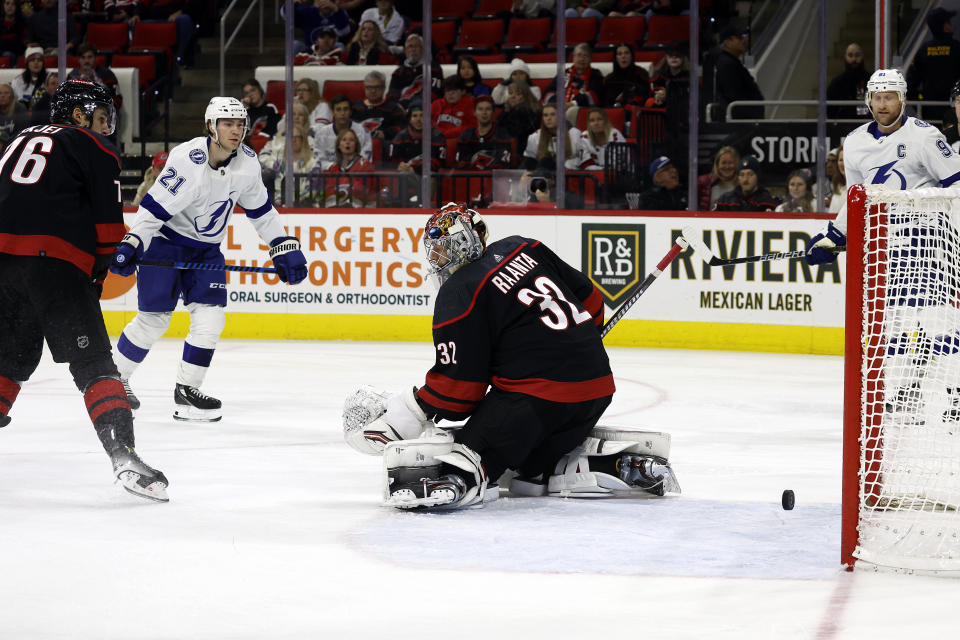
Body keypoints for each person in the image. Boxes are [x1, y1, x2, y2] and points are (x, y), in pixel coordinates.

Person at [341, 203, 679, 510]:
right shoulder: (525, 247)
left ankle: (457, 478)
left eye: (444, 248)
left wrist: (413, 408)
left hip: (534, 399)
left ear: (466, 243)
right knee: (528, 470)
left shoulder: (460, 291)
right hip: (596, 390)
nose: (439, 259)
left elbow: (459, 393)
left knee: (469, 451)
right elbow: (592, 304)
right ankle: (588, 465)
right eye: (436, 251)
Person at [0, 79, 168, 502]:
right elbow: (109, 226)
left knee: (9, 362)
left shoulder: (16, 139)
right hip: (54, 263)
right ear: (78, 115)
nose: (104, 125)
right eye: (99, 115)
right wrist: (98, 272)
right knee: (94, 363)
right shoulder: (93, 146)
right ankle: (124, 455)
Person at [108, 96, 308, 422]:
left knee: (211, 320)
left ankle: (186, 392)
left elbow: (260, 211)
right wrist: (133, 242)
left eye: (240, 124)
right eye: (227, 123)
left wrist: (282, 245)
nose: (235, 130)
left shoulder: (247, 163)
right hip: (165, 243)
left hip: (207, 250)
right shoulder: (187, 159)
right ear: (211, 126)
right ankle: (114, 381)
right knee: (153, 321)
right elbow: (154, 209)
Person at [805, 68, 960, 429]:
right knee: (897, 323)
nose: (882, 103)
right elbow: (855, 199)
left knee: (934, 320)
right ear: (868, 100)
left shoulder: (925, 137)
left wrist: (924, 206)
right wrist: (835, 235)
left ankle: (953, 389)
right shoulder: (856, 141)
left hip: (928, 241)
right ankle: (908, 392)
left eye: (889, 96)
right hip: (885, 244)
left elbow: (955, 183)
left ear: (903, 99)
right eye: (876, 97)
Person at [387, 102, 445, 206]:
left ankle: (426, 208)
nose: (419, 119)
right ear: (409, 119)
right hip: (408, 174)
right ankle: (403, 208)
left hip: (427, 175)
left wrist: (415, 168)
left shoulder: (437, 135)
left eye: (422, 115)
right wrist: (399, 165)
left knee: (431, 176)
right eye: (415, 116)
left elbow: (438, 162)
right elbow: (392, 161)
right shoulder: (401, 136)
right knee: (403, 175)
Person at [907, 7, 960, 104]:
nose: (952, 25)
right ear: (945, 26)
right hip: (954, 109)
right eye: (949, 22)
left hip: (930, 110)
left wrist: (922, 104)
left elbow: (910, 86)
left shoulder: (923, 50)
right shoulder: (957, 48)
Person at [713, 24, 764, 121]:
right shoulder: (727, 63)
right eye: (739, 38)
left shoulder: (732, 62)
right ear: (727, 42)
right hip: (740, 121)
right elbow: (733, 95)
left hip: (745, 119)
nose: (744, 41)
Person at [265, 123, 320, 207]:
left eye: (297, 137)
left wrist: (295, 203)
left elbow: (312, 190)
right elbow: (278, 189)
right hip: (283, 205)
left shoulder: (313, 162)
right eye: (291, 137)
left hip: (307, 206)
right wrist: (279, 204)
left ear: (303, 140)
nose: (294, 140)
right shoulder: (280, 163)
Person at [456, 95, 514, 170]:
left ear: (493, 112)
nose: (484, 112)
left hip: (493, 179)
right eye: (480, 109)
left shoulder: (503, 135)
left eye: (488, 109)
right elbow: (461, 163)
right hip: (470, 179)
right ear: (474, 112)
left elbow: (502, 165)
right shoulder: (466, 135)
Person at [543, 42, 604, 114]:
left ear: (591, 59)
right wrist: (558, 103)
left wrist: (572, 104)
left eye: (585, 56)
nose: (582, 59)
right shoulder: (564, 74)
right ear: (573, 57)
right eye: (579, 55)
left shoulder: (596, 75)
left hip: (582, 112)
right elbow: (548, 93)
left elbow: (593, 97)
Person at [387, 33, 443, 110]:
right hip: (401, 109)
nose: (413, 49)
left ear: (423, 49)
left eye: (416, 46)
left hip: (424, 109)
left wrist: (409, 105)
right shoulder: (398, 72)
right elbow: (391, 94)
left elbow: (435, 93)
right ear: (405, 51)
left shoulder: (433, 68)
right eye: (410, 46)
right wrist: (397, 107)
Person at [322, 128, 375, 207]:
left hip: (358, 210)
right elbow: (328, 191)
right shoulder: (334, 168)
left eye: (351, 140)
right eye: (344, 140)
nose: (347, 142)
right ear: (339, 145)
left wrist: (343, 190)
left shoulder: (365, 165)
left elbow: (363, 191)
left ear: (356, 145)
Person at [313, 93, 372, 164]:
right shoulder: (321, 133)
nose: (342, 113)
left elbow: (365, 161)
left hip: (355, 173)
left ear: (350, 112)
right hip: (330, 173)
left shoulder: (363, 131)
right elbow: (318, 161)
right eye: (338, 110)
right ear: (333, 112)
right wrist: (336, 169)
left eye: (346, 109)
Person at [351, 69, 405, 142]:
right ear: (364, 88)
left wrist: (385, 134)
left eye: (377, 87)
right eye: (369, 87)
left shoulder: (393, 108)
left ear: (384, 88)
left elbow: (401, 127)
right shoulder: (354, 107)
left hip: (383, 145)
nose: (373, 91)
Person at [523, 101, 580, 170]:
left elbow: (578, 160)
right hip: (541, 175)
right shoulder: (534, 137)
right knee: (544, 162)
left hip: (567, 174)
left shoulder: (575, 134)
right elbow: (529, 162)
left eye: (552, 114)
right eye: (545, 115)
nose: (548, 118)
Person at [282, 0, 350, 56]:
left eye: (329, 1)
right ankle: (297, 71)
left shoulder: (339, 13)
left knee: (340, 46)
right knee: (295, 45)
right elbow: (286, 16)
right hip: (310, 50)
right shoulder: (309, 11)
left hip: (331, 50)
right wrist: (292, 3)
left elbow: (345, 31)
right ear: (316, 2)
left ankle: (337, 69)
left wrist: (336, 10)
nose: (325, 3)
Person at [713, 155, 779, 211]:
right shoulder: (725, 200)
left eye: (750, 174)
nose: (745, 179)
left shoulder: (768, 202)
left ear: (757, 176)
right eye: (741, 175)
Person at [827, 43, 871, 119]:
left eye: (857, 55)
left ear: (862, 56)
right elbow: (830, 110)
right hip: (842, 126)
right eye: (850, 55)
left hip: (865, 126)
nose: (854, 59)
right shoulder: (837, 83)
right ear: (845, 57)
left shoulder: (871, 81)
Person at [496, 80, 541, 155]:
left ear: (526, 96)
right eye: (510, 93)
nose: (513, 96)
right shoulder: (509, 109)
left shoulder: (526, 110)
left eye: (518, 94)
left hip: (521, 149)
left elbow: (515, 132)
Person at [602, 43, 651, 108]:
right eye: (619, 54)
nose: (623, 56)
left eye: (626, 53)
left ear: (631, 56)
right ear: (615, 58)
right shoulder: (608, 79)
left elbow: (645, 98)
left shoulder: (641, 75)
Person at [432, 74, 476, 140]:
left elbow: (473, 126)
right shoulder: (436, 104)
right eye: (447, 90)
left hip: (460, 141)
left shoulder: (470, 105)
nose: (450, 94)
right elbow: (427, 123)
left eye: (454, 91)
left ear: (463, 91)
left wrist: (447, 133)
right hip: (436, 141)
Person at [241, 78, 281, 148]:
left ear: (259, 90)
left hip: (264, 144)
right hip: (246, 145)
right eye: (247, 93)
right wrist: (241, 108)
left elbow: (272, 131)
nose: (250, 94)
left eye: (253, 90)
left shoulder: (270, 108)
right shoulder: (245, 111)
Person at [696, 145, 739, 210]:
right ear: (717, 164)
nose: (727, 167)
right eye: (723, 163)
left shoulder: (742, 184)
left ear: (736, 164)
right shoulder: (704, 182)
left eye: (730, 163)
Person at [0, 0, 26, 66]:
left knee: (8, 55)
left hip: (17, 54)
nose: (10, 6)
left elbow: (22, 44)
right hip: (1, 53)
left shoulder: (22, 23)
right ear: (3, 6)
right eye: (7, 3)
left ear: (16, 7)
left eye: (13, 4)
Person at [827, 146, 846, 214]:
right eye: (841, 160)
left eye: (846, 159)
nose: (843, 163)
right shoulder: (839, 187)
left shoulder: (862, 187)